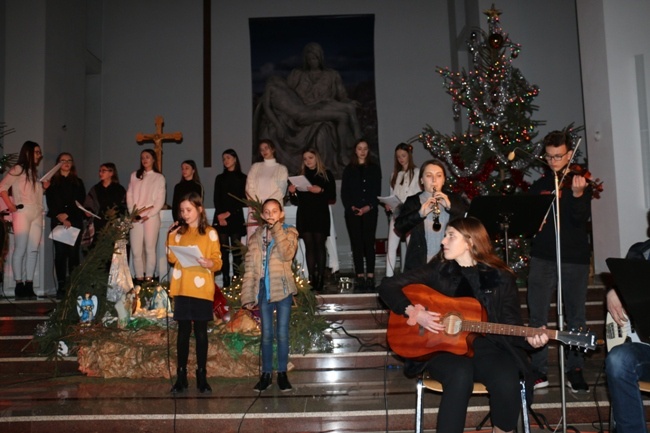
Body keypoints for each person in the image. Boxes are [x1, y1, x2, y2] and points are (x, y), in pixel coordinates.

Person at [377, 217, 549, 433]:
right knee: (460, 375)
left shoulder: (501, 278)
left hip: (487, 348)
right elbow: (387, 286)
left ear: (470, 242)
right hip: (438, 348)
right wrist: (413, 311)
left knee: (507, 377)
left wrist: (529, 339)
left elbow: (511, 324)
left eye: (451, 236)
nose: (443, 241)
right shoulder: (438, 271)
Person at [526, 129, 592, 393]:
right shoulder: (539, 187)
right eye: (550, 157)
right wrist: (534, 222)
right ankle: (539, 370)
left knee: (576, 315)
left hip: (574, 258)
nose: (554, 161)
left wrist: (577, 197)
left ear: (569, 154)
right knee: (537, 315)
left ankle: (574, 369)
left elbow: (580, 221)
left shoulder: (579, 182)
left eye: (559, 156)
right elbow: (529, 223)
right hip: (543, 257)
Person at [253, 42, 362, 177]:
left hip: (323, 105)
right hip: (306, 112)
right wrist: (278, 120)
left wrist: (349, 101)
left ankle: (354, 145)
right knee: (334, 122)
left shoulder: (332, 75)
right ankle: (346, 151)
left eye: (315, 58)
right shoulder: (296, 75)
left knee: (348, 108)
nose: (312, 61)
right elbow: (286, 96)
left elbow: (342, 96)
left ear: (320, 58)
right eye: (310, 58)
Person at [240, 198, 298, 392]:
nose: (271, 214)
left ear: (281, 214)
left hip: (282, 288)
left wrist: (277, 229)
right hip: (264, 291)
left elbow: (286, 254)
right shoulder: (256, 236)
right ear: (263, 215)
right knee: (266, 334)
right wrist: (247, 295)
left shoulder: (289, 231)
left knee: (281, 333)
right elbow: (250, 268)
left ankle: (282, 374)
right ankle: (265, 374)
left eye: (275, 211)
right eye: (267, 211)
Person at [167, 192, 222, 394]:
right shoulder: (179, 233)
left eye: (188, 210)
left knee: (200, 333)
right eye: (182, 210)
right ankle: (181, 376)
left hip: (201, 289)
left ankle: (202, 376)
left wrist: (210, 263)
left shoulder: (209, 232)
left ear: (199, 209)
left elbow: (218, 260)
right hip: (182, 287)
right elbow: (172, 258)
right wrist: (171, 235)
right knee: (182, 333)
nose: (185, 214)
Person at [604, 240, 650, 433]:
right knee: (618, 359)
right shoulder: (641, 252)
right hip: (646, 348)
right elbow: (631, 284)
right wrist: (614, 291)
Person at [395, 159, 469, 272]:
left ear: (444, 180)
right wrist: (420, 214)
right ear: (422, 180)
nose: (434, 180)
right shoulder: (413, 201)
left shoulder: (455, 199)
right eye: (429, 175)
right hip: (421, 263)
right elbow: (399, 227)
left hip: (450, 264)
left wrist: (450, 207)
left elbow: (469, 223)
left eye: (439, 176)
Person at [0, 141, 48, 299]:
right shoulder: (18, 169)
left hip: (36, 212)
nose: (39, 155)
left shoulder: (35, 173)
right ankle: (19, 284)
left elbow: (36, 194)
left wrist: (44, 187)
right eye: (36, 152)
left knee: (33, 250)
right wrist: (10, 205)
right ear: (27, 153)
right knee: (20, 248)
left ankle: (29, 284)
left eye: (39, 152)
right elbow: (2, 187)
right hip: (22, 211)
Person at [288, 148, 336, 291]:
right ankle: (312, 278)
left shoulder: (326, 174)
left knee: (320, 246)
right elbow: (295, 201)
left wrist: (320, 190)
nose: (308, 161)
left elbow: (332, 195)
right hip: (305, 214)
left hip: (320, 213)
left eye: (310, 158)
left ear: (317, 158)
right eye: (305, 159)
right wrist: (292, 193)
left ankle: (321, 278)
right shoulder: (300, 176)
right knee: (309, 247)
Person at [341, 139, 382, 291]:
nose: (362, 151)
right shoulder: (349, 169)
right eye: (359, 148)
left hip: (370, 211)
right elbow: (345, 193)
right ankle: (359, 275)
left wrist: (367, 207)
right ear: (355, 151)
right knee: (356, 243)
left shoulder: (374, 168)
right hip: (353, 212)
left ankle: (370, 275)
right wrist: (352, 207)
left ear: (368, 150)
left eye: (365, 148)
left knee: (369, 243)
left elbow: (376, 191)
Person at [45, 153, 86, 299]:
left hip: (74, 220)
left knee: (73, 254)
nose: (66, 163)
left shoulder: (78, 182)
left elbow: (80, 201)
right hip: (58, 220)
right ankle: (61, 285)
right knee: (60, 254)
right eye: (63, 160)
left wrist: (67, 216)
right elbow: (51, 201)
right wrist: (60, 216)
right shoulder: (52, 183)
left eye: (69, 160)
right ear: (57, 164)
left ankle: (73, 285)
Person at [126, 149, 166, 283]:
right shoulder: (134, 176)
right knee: (136, 250)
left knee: (149, 248)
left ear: (153, 159)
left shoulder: (159, 177)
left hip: (151, 217)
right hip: (136, 217)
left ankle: (149, 277)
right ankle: (138, 277)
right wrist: (133, 212)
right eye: (142, 157)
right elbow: (130, 195)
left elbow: (160, 199)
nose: (144, 160)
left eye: (147, 157)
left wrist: (149, 214)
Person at [384, 143, 421, 277]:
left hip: (411, 215)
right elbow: (392, 195)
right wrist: (388, 204)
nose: (401, 159)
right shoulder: (395, 175)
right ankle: (389, 277)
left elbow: (419, 196)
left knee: (412, 248)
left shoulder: (417, 173)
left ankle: (413, 277)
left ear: (409, 155)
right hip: (397, 214)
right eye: (398, 156)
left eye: (403, 155)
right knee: (392, 248)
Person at [213, 149, 247, 287]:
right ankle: (226, 281)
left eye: (228, 158)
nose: (225, 161)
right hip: (220, 216)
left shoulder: (242, 178)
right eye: (223, 159)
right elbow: (217, 198)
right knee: (223, 251)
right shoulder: (219, 178)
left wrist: (229, 214)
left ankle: (237, 281)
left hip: (235, 216)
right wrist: (221, 215)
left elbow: (242, 199)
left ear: (234, 159)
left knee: (236, 250)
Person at [245, 139, 288, 239]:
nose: (264, 151)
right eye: (261, 149)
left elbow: (281, 191)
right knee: (255, 240)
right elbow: (249, 187)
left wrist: (267, 207)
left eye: (266, 148)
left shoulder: (281, 169)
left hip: (273, 210)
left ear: (272, 149)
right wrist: (257, 205)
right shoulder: (255, 167)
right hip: (255, 208)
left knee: (273, 240)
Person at [83, 162, 127, 238]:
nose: (100, 173)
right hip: (99, 223)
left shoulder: (119, 189)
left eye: (103, 171)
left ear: (111, 173)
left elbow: (124, 205)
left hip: (115, 223)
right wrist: (88, 211)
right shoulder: (95, 189)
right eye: (100, 171)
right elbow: (89, 204)